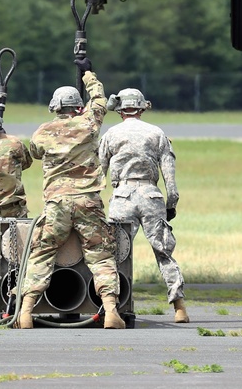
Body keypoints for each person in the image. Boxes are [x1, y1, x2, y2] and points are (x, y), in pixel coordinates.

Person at [16, 56, 125, 329]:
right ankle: (111, 312)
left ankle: (26, 312)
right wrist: (87, 72)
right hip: (89, 201)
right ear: (78, 106)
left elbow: (34, 154)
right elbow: (99, 98)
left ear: (55, 107)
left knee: (41, 253)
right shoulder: (90, 123)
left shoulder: (43, 132)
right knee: (100, 254)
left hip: (57, 203)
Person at [99, 88, 189, 323]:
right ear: (141, 108)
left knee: (115, 254)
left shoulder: (111, 134)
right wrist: (171, 204)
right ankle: (179, 307)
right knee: (164, 253)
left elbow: (99, 172)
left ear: (120, 111)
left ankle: (112, 308)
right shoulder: (157, 133)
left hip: (121, 197)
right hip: (151, 196)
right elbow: (170, 176)